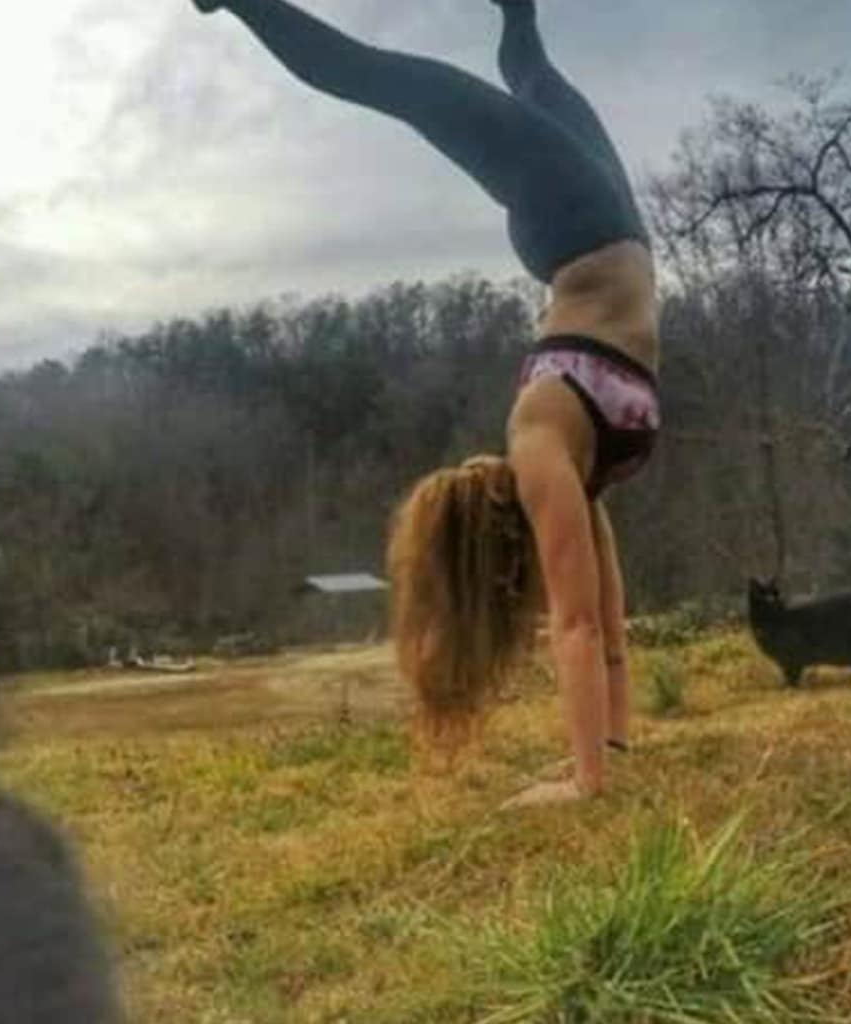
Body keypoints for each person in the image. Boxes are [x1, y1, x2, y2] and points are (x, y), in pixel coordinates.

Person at [193, 0, 661, 807]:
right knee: (416, 83)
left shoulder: (561, 453)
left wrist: (591, 771)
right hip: (584, 221)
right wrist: (594, 773)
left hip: (584, 231)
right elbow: (594, 629)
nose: (481, 463)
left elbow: (591, 628)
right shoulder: (545, 449)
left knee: (494, 82)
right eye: (476, 477)